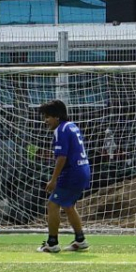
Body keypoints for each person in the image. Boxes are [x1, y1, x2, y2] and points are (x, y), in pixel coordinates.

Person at [37, 99, 90, 253]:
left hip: (72, 173)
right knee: (68, 205)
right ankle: (80, 240)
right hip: (83, 170)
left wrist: (53, 180)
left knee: (52, 204)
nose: (45, 121)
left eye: (47, 117)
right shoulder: (72, 126)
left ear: (57, 116)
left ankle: (52, 243)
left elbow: (62, 157)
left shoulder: (61, 130)